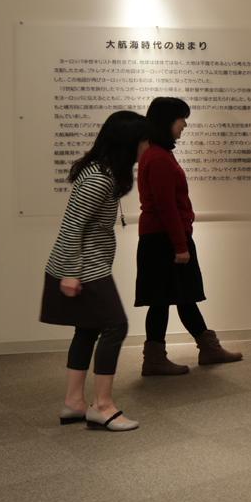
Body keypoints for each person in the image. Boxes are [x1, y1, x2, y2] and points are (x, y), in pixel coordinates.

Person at [39, 110, 147, 432]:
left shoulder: (105, 174)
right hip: (84, 266)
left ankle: (74, 403)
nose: (147, 146)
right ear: (128, 143)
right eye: (143, 140)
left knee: (87, 329)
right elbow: (72, 227)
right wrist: (71, 273)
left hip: (88, 264)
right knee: (115, 326)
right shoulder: (98, 179)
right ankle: (103, 406)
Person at [136, 97, 243, 375]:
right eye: (181, 118)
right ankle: (160, 357)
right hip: (165, 240)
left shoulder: (158, 153)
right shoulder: (157, 157)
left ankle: (205, 348)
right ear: (166, 121)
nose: (185, 124)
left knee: (181, 296)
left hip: (164, 238)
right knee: (165, 299)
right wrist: (181, 246)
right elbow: (166, 207)